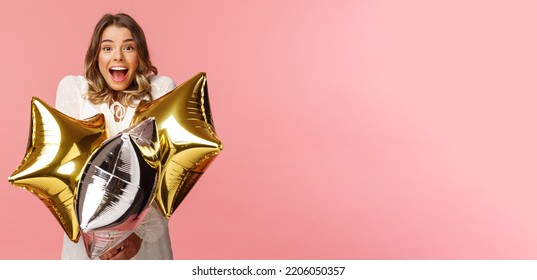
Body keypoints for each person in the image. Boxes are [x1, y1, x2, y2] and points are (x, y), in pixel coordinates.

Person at [55, 13, 176, 260]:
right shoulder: (74, 91)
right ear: (96, 55)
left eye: (128, 47)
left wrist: (139, 235)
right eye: (107, 47)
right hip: (87, 239)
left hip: (144, 243)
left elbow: (169, 174)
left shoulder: (160, 91)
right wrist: (98, 237)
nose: (118, 56)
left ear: (139, 54)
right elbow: (67, 169)